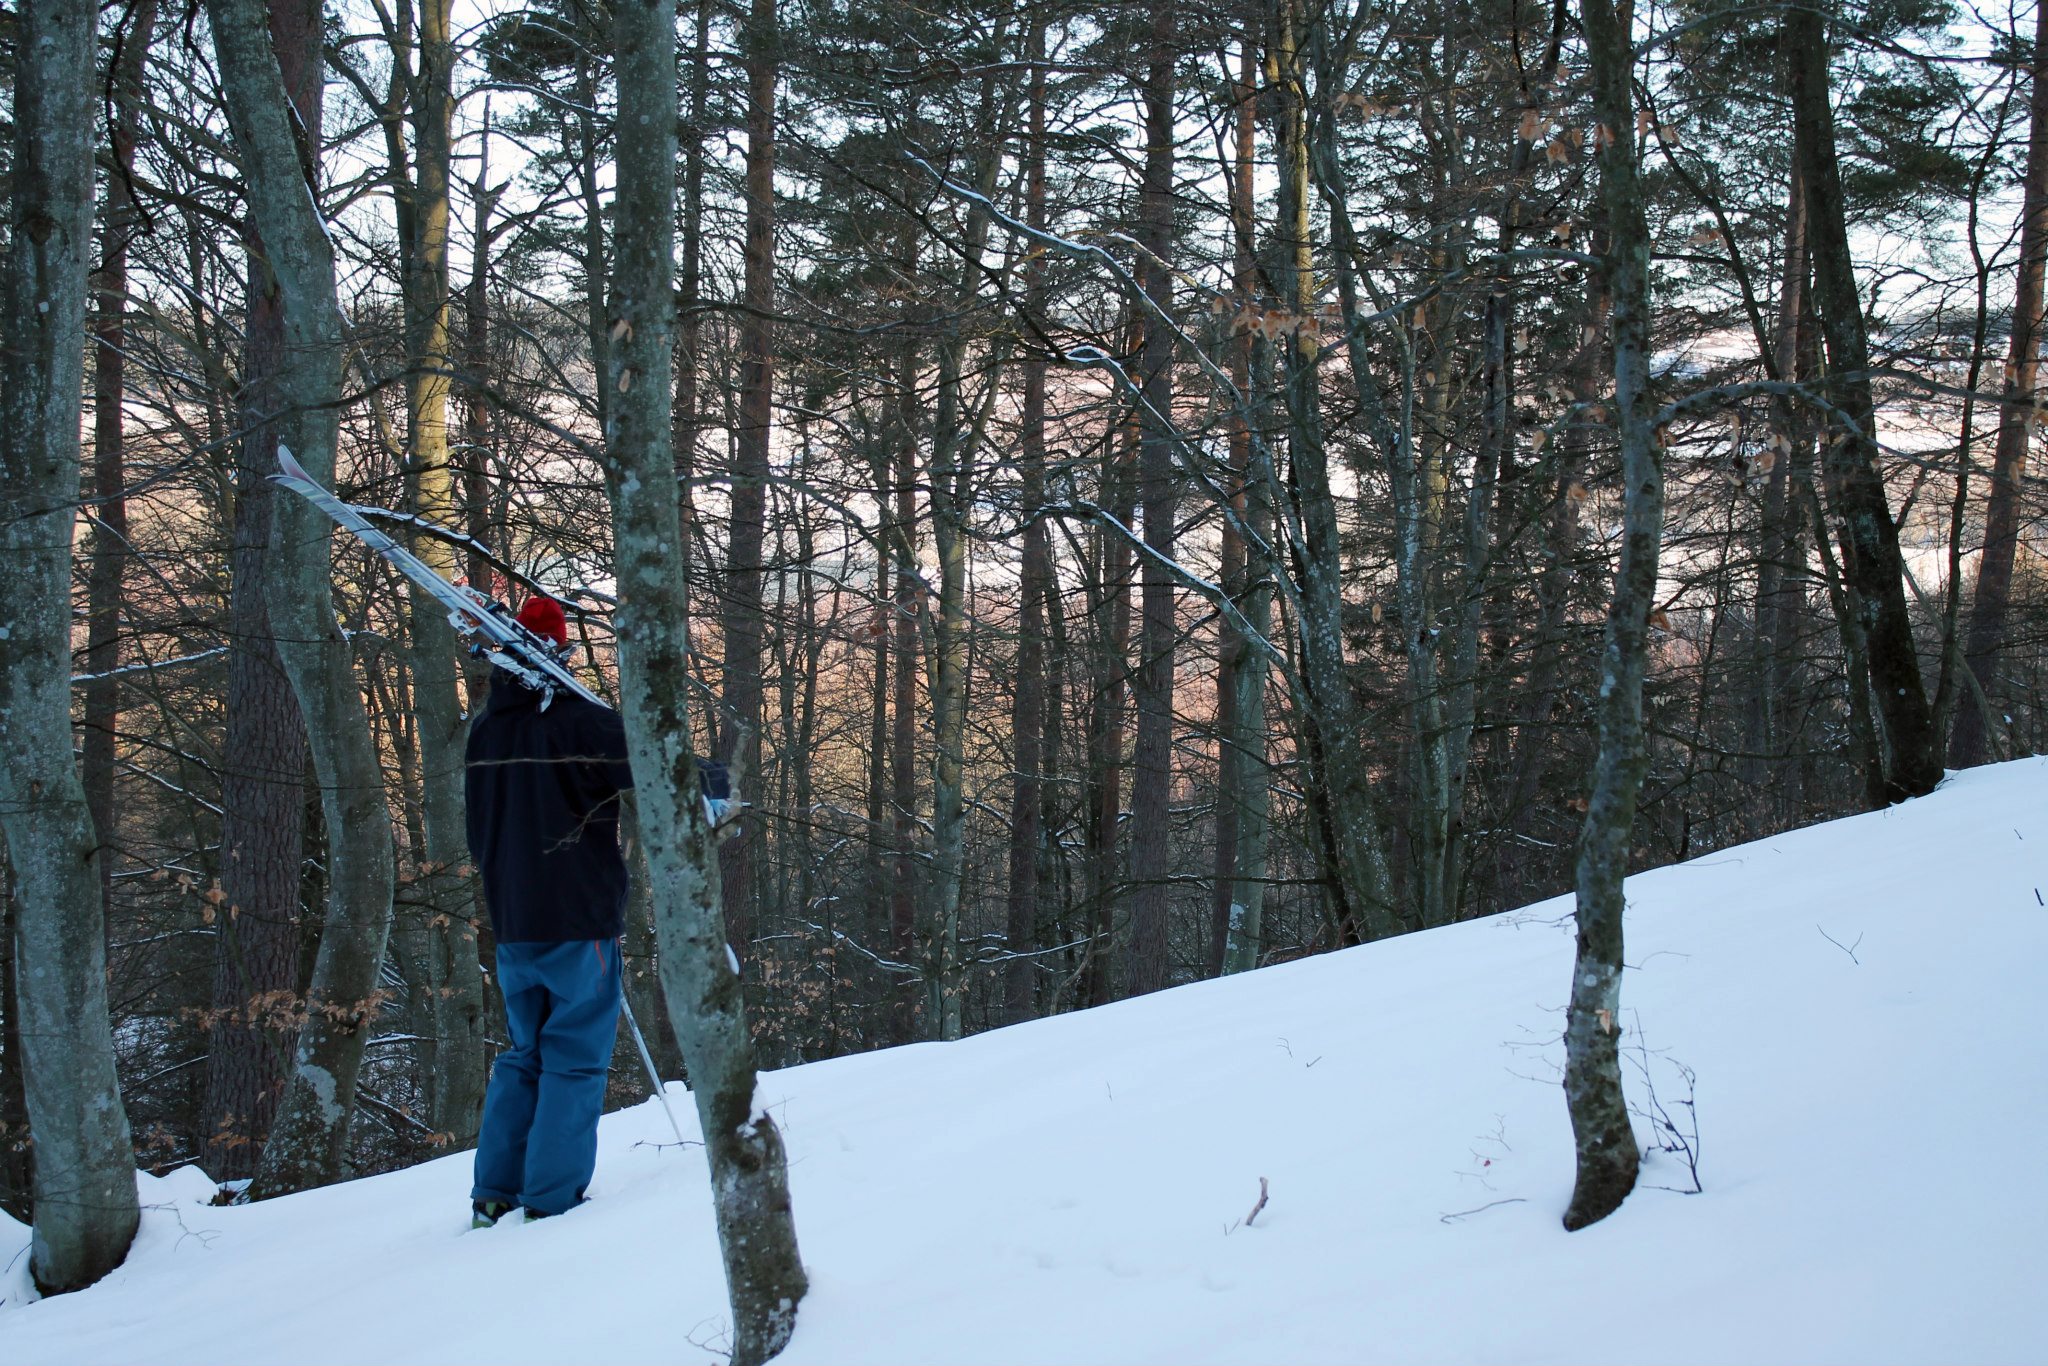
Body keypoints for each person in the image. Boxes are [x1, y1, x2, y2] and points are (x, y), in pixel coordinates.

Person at [464, 595, 633, 1227]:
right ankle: (552, 1199)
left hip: (512, 922)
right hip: (578, 920)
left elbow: (478, 826)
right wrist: (718, 787)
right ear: (557, 650)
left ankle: (495, 1190)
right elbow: (655, 765)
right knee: (575, 1059)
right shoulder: (581, 721)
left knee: (523, 1053)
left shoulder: (486, 726)